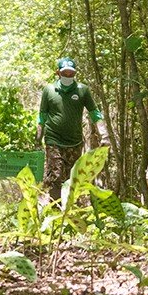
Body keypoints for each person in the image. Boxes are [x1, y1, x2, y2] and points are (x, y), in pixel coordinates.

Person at [37, 57, 109, 196]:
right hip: (54, 140)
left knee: (71, 180)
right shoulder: (49, 90)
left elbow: (94, 113)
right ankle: (54, 209)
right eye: (65, 73)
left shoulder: (82, 90)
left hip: (74, 142)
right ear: (58, 73)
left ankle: (70, 210)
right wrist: (38, 138)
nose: (68, 76)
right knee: (55, 176)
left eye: (71, 74)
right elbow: (42, 116)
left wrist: (104, 134)